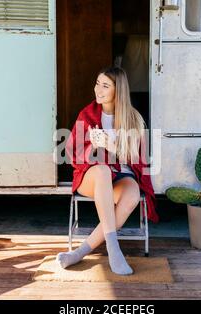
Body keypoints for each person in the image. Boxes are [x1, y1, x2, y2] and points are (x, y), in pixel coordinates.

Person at [57, 66, 159, 275]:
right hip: (93, 177)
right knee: (103, 170)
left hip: (122, 175)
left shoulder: (133, 118)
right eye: (97, 83)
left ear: (118, 90)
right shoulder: (87, 114)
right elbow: (71, 155)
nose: (98, 90)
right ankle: (114, 248)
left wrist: (112, 146)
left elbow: (139, 159)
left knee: (131, 195)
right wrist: (93, 147)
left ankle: (78, 253)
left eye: (105, 85)